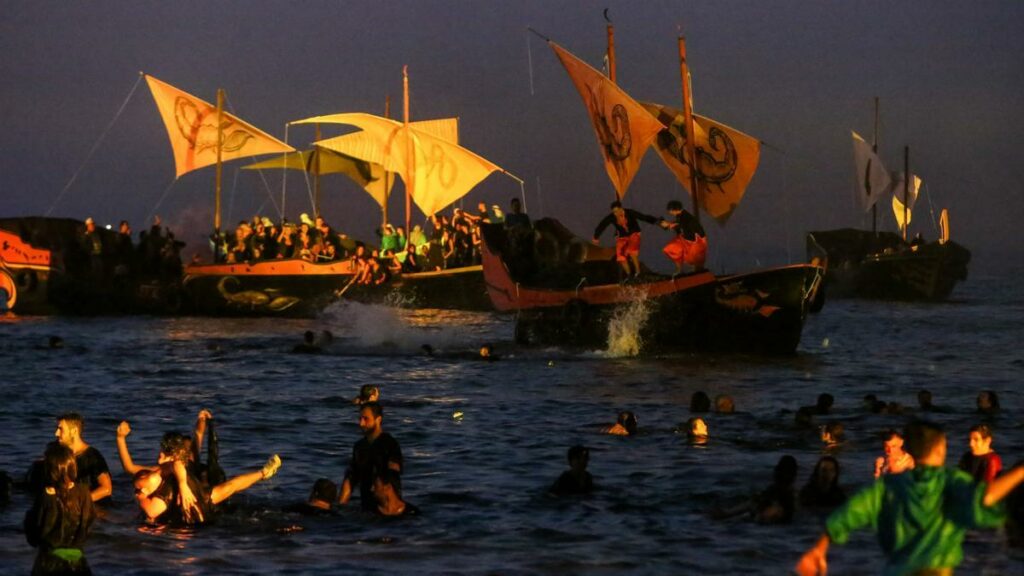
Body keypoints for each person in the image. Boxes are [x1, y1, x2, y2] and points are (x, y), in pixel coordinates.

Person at [795, 421, 1024, 576]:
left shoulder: (889, 485)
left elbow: (848, 512)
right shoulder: (950, 480)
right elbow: (985, 497)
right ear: (940, 450)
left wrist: (818, 548)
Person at [133, 452, 281, 525]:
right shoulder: (160, 478)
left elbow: (151, 511)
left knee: (230, 487)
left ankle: (263, 472)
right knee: (230, 487)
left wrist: (141, 497)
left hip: (195, 501)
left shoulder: (158, 477)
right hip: (201, 498)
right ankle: (263, 473)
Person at [24, 443, 95, 576]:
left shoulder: (45, 496)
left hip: (49, 563)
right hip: (78, 561)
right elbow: (89, 520)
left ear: (49, 470)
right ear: (72, 466)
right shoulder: (84, 492)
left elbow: (34, 531)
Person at [340, 402, 403, 511]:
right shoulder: (359, 446)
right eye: (360, 418)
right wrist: (340, 506)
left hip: (386, 506)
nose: (361, 423)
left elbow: (394, 472)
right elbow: (351, 478)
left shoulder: (389, 444)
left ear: (378, 420)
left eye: (365, 419)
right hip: (366, 506)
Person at [591, 200, 662, 280]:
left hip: (634, 234)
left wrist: (657, 221)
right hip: (622, 237)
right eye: (614, 212)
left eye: (617, 211)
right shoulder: (612, 217)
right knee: (621, 257)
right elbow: (602, 225)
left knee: (632, 251)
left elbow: (643, 217)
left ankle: (638, 272)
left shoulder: (630, 212)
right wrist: (596, 237)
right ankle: (629, 275)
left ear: (621, 208)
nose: (616, 213)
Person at [54, 414, 111, 503]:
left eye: (60, 429)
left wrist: (78, 503)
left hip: (93, 510)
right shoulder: (59, 454)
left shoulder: (93, 456)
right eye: (57, 428)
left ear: (74, 431)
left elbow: (106, 489)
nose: (56, 433)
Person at [659, 199, 707, 274]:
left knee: (693, 259)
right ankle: (679, 270)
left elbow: (682, 225)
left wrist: (669, 225)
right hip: (686, 239)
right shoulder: (680, 215)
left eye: (670, 211)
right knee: (671, 248)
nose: (670, 213)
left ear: (674, 210)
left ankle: (696, 272)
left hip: (694, 242)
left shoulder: (687, 217)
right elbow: (679, 225)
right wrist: (669, 225)